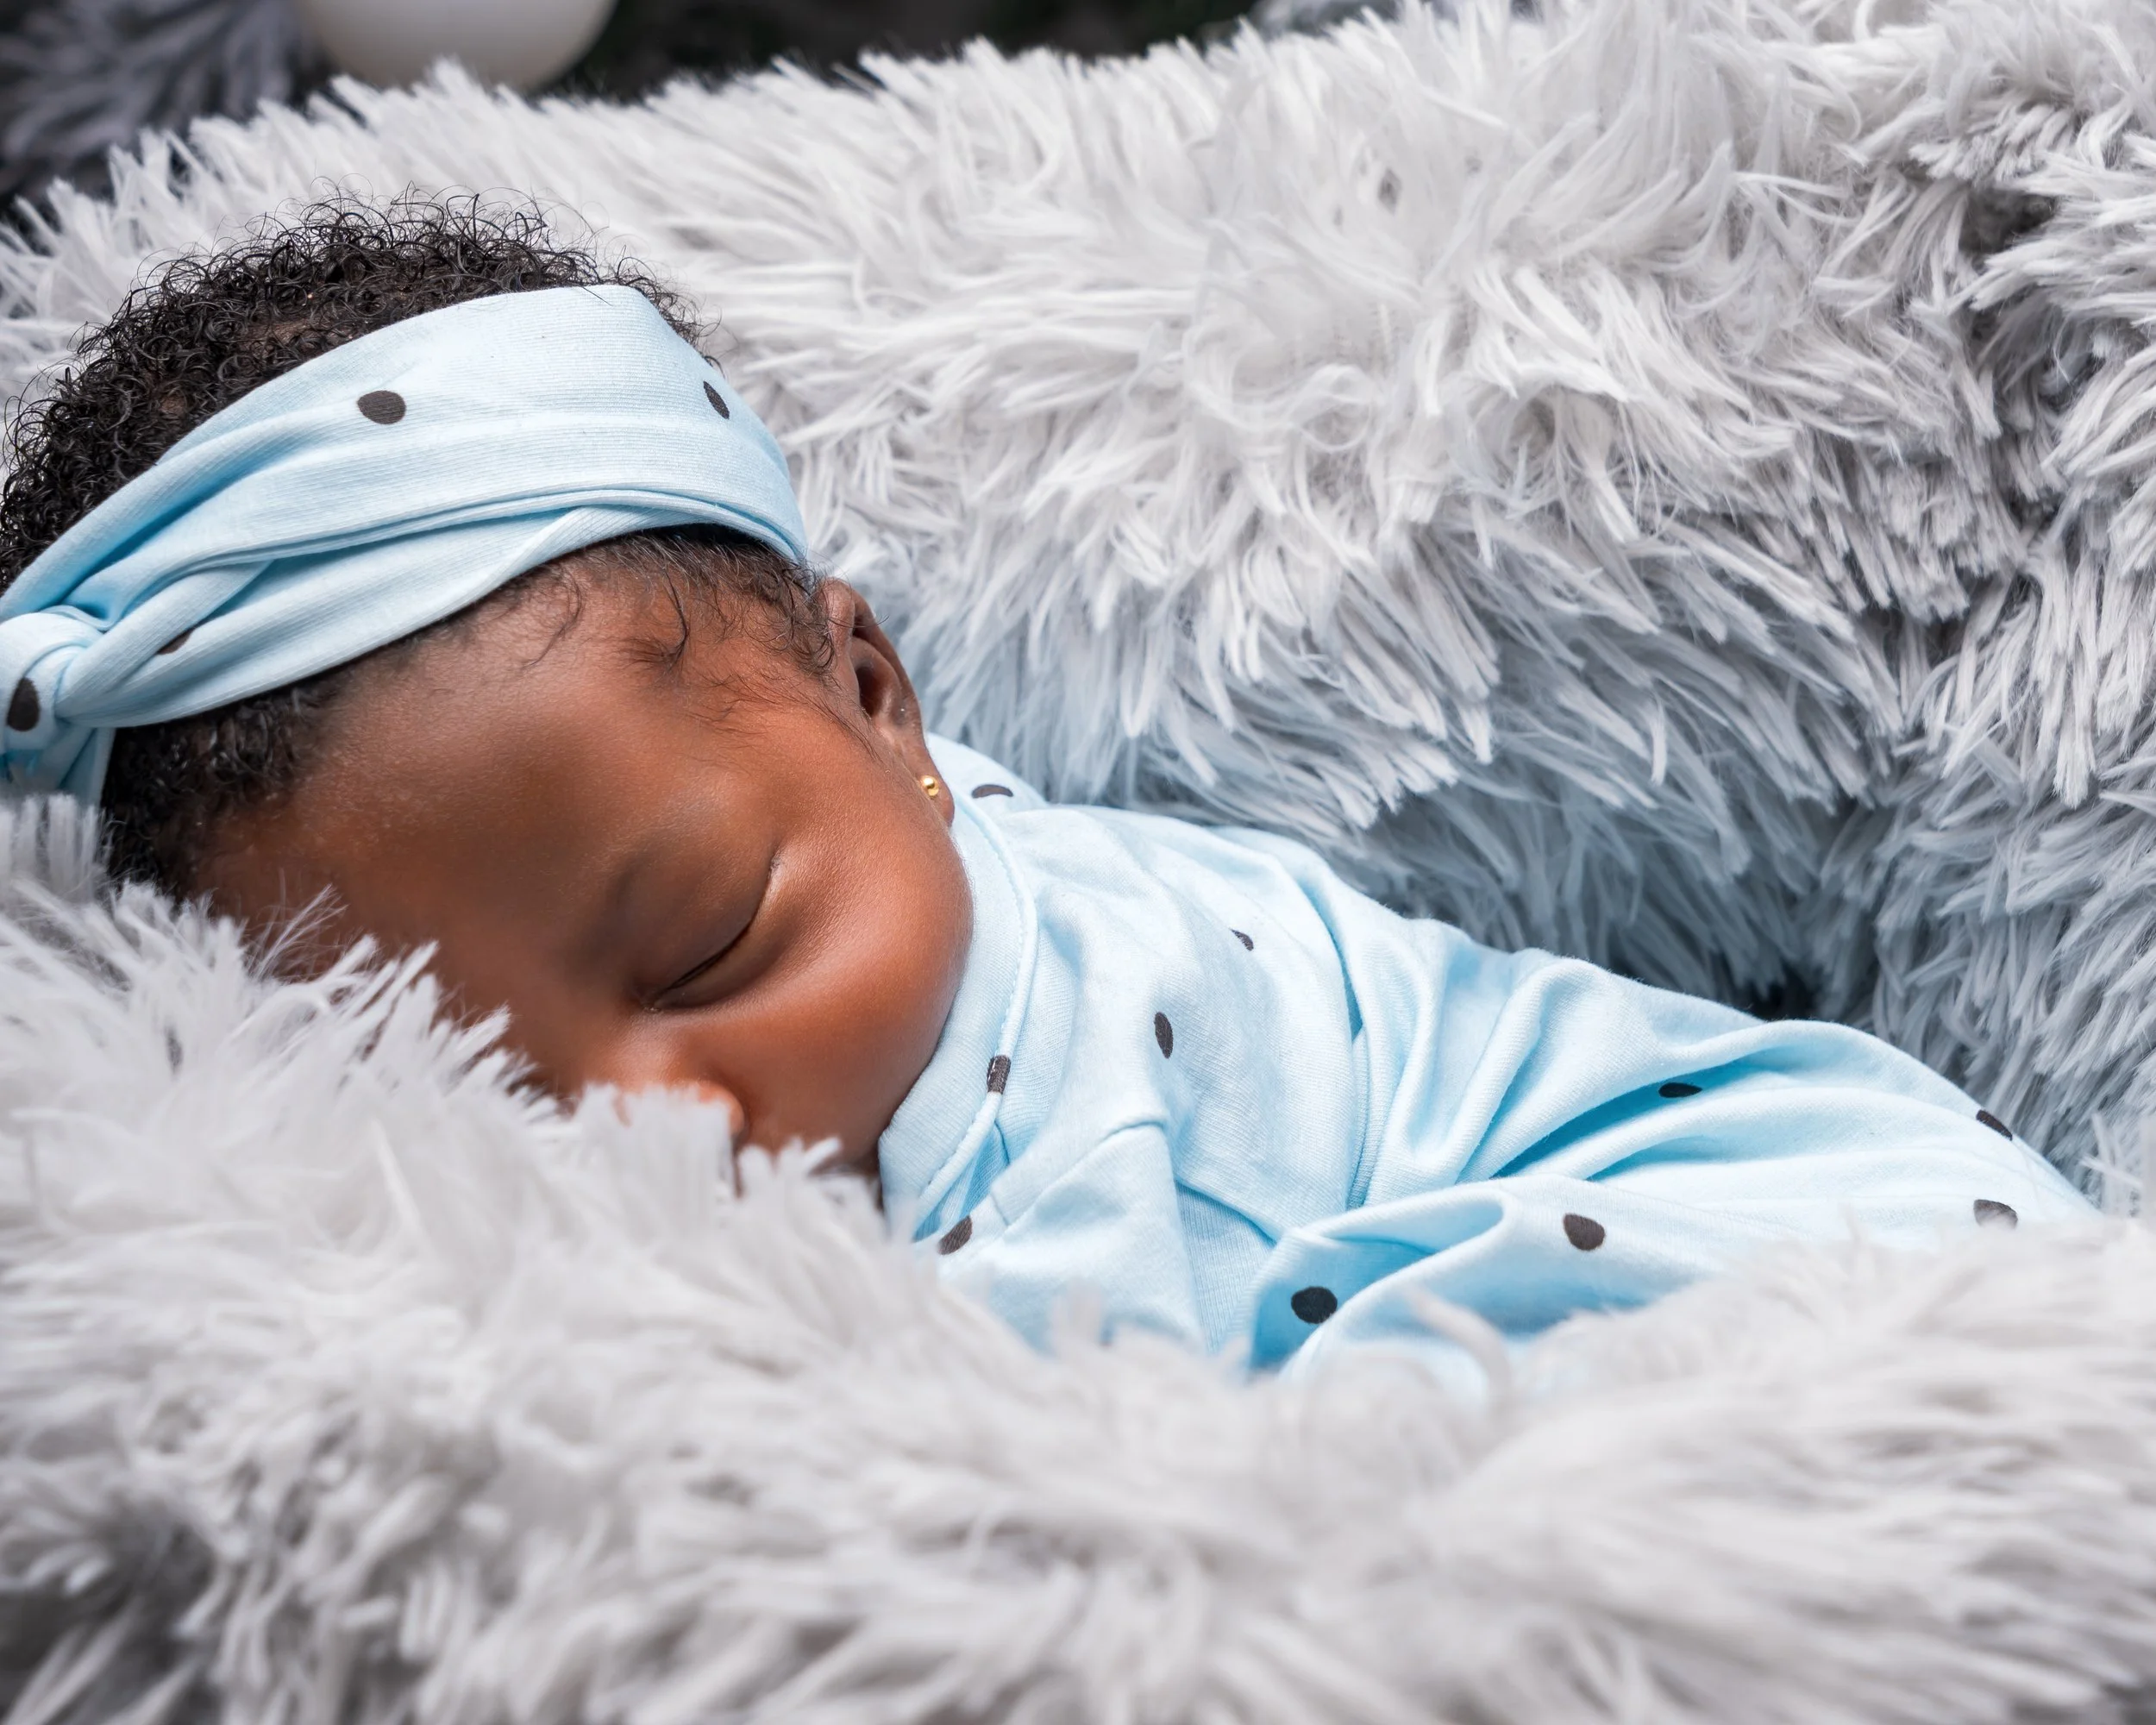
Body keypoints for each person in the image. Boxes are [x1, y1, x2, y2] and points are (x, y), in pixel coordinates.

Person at [0, 202, 2094, 1384]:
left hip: (1811, 1233)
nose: (647, 1123)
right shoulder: (799, 819)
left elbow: (1029, 1499)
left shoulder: (1071, 1086)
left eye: (717, 942)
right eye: (469, 1085)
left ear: (879, 692)